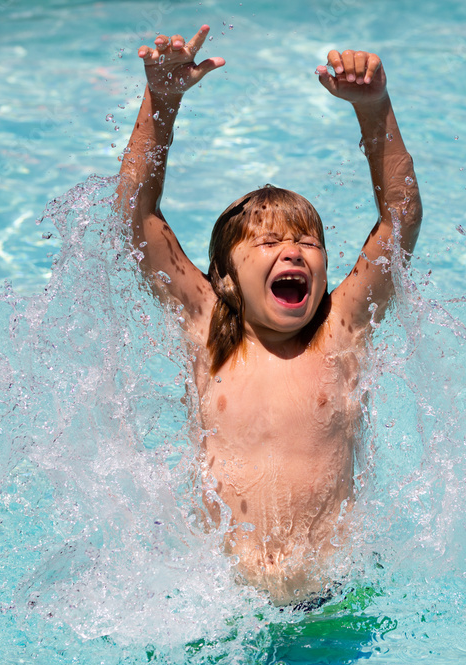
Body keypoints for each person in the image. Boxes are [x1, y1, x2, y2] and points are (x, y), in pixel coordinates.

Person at [116, 25, 422, 606]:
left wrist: (373, 108)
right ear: (226, 279)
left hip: (332, 599)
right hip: (226, 601)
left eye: (308, 242)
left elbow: (400, 220)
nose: (293, 252)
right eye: (269, 242)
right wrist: (161, 103)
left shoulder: (341, 330)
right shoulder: (208, 327)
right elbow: (138, 218)